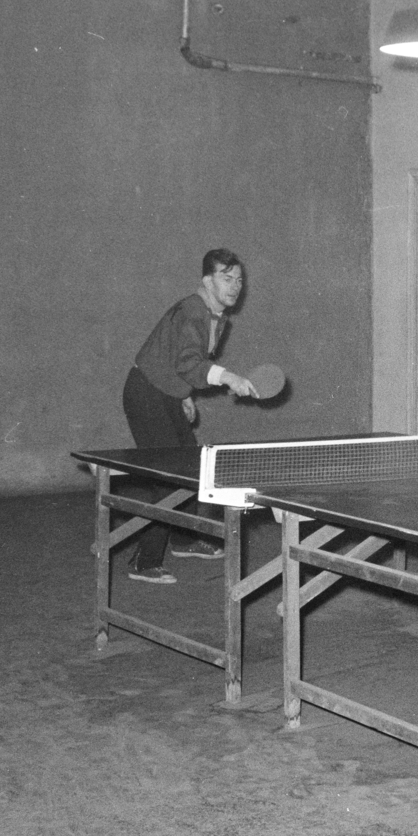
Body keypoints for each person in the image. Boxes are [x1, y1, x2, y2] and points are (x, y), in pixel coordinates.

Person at [121, 248, 257, 584]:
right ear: (207, 281)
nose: (235, 286)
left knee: (191, 466)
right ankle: (143, 560)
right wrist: (229, 377)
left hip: (164, 392)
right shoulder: (193, 310)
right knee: (167, 476)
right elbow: (189, 364)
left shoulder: (214, 316)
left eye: (239, 279)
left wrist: (183, 394)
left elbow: (180, 359)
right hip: (146, 393)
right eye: (227, 278)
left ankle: (183, 539)